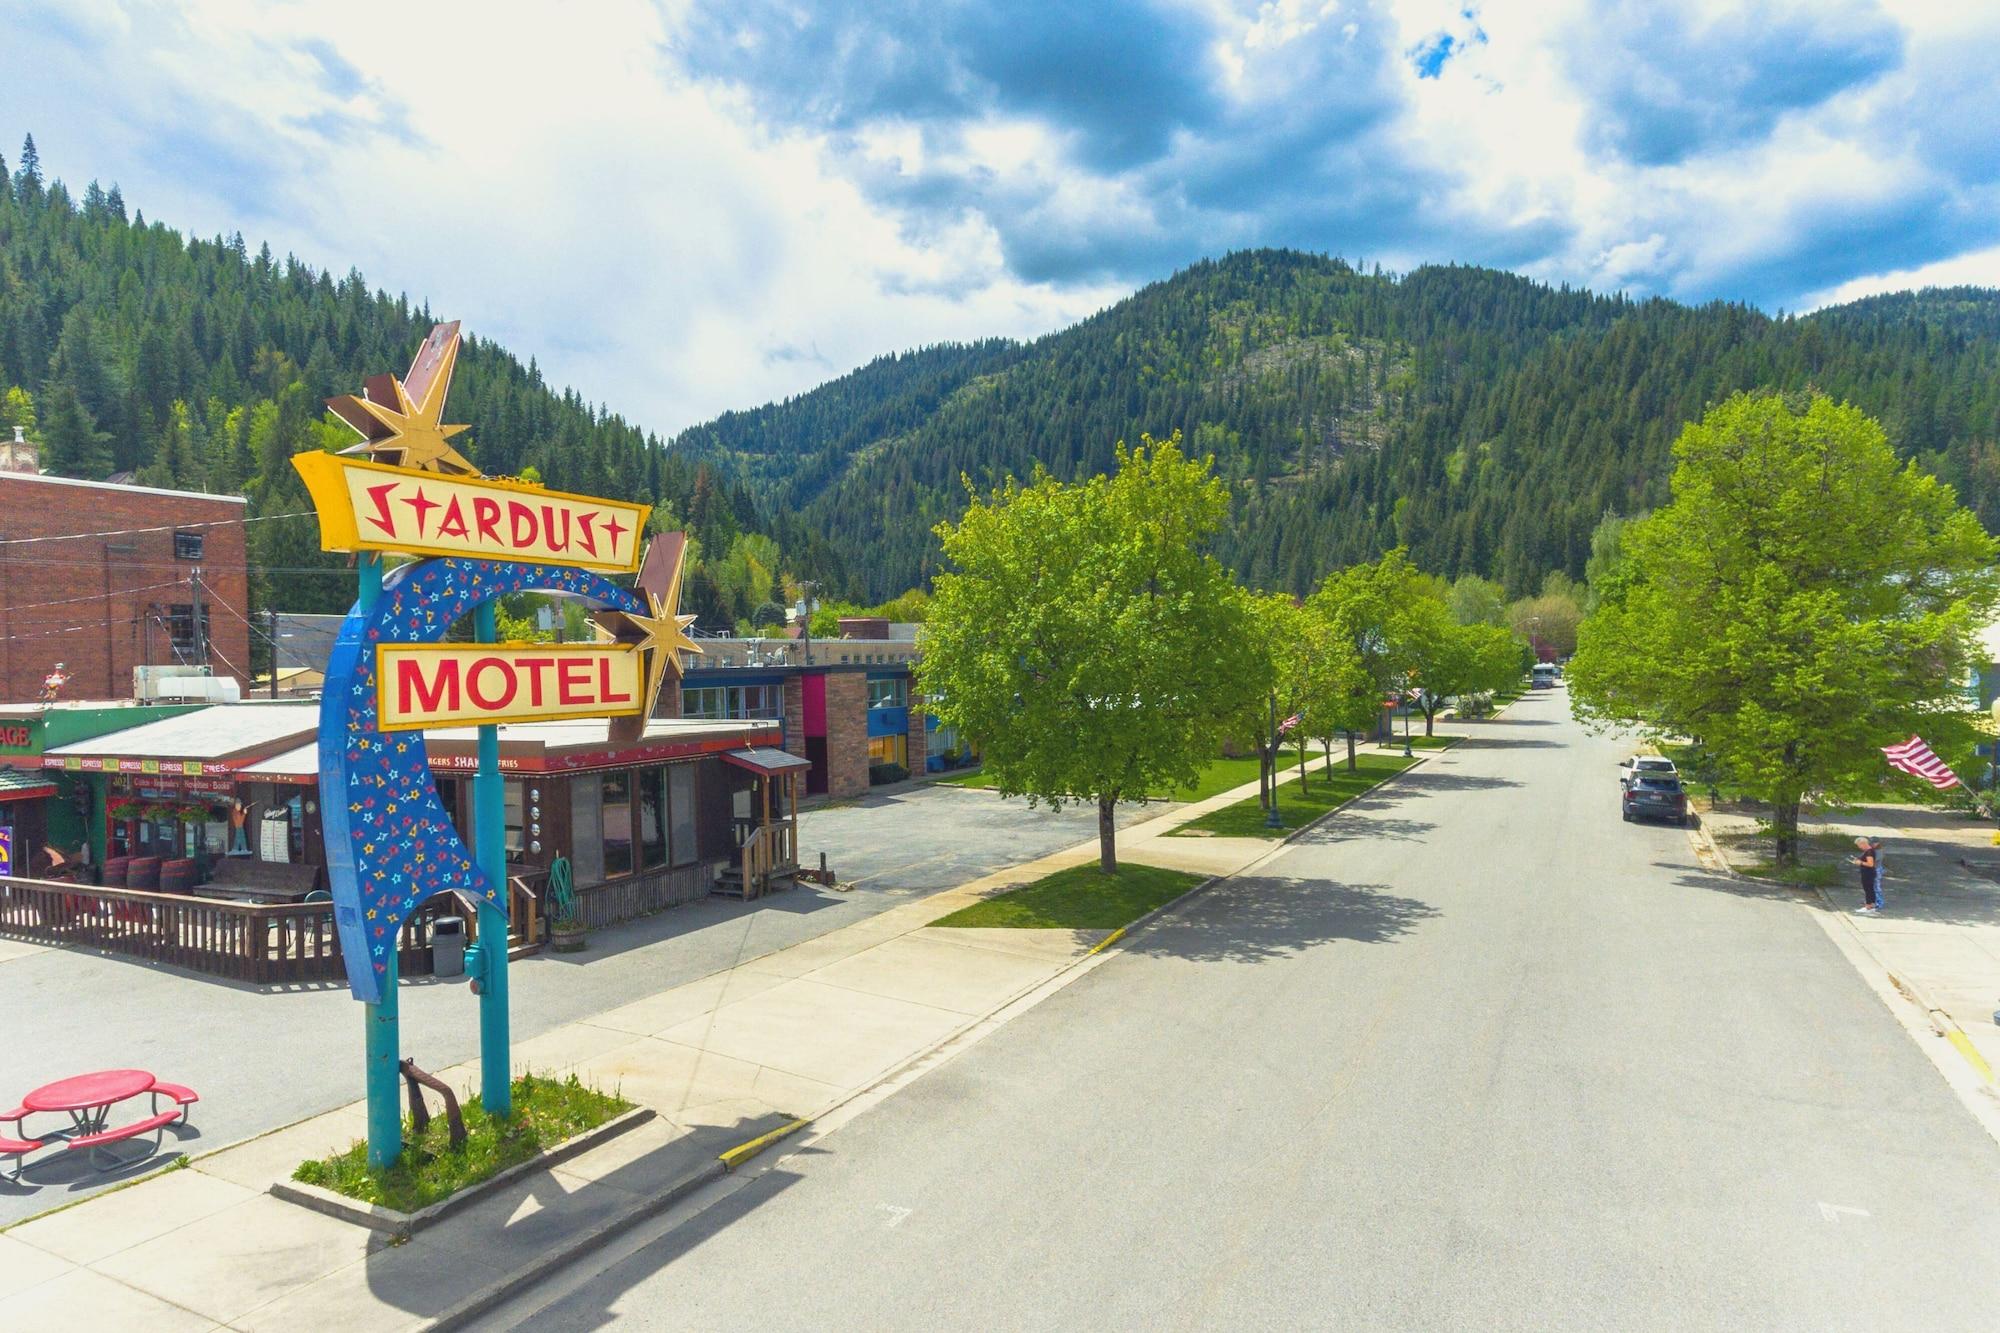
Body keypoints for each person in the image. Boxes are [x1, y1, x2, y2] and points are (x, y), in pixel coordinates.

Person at [1850, 836, 1880, 914]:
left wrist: (1861, 863)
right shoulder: (1870, 851)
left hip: (1868, 873)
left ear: (1863, 843)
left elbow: (1870, 864)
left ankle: (1868, 906)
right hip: (1869, 872)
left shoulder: (1869, 852)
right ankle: (1872, 906)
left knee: (1868, 889)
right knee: (1870, 889)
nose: (1859, 847)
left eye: (1859, 845)